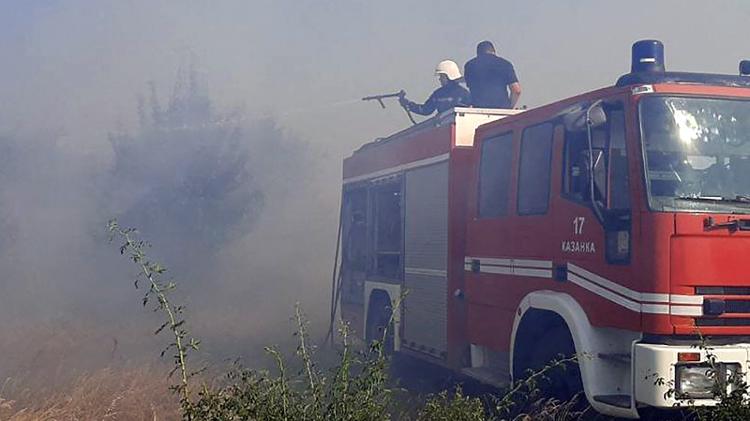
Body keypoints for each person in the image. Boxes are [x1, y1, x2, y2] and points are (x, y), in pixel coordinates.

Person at [399, 60, 471, 116]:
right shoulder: (438, 94)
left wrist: (408, 105)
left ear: (449, 76)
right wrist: (408, 104)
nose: (440, 79)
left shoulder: (463, 94)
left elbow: (425, 110)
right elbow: (425, 110)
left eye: (441, 76)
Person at [464, 40, 522, 109]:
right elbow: (516, 90)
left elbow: (470, 88)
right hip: (502, 110)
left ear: (478, 53)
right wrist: (510, 108)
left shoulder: (469, 65)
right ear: (494, 51)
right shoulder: (505, 64)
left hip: (478, 110)